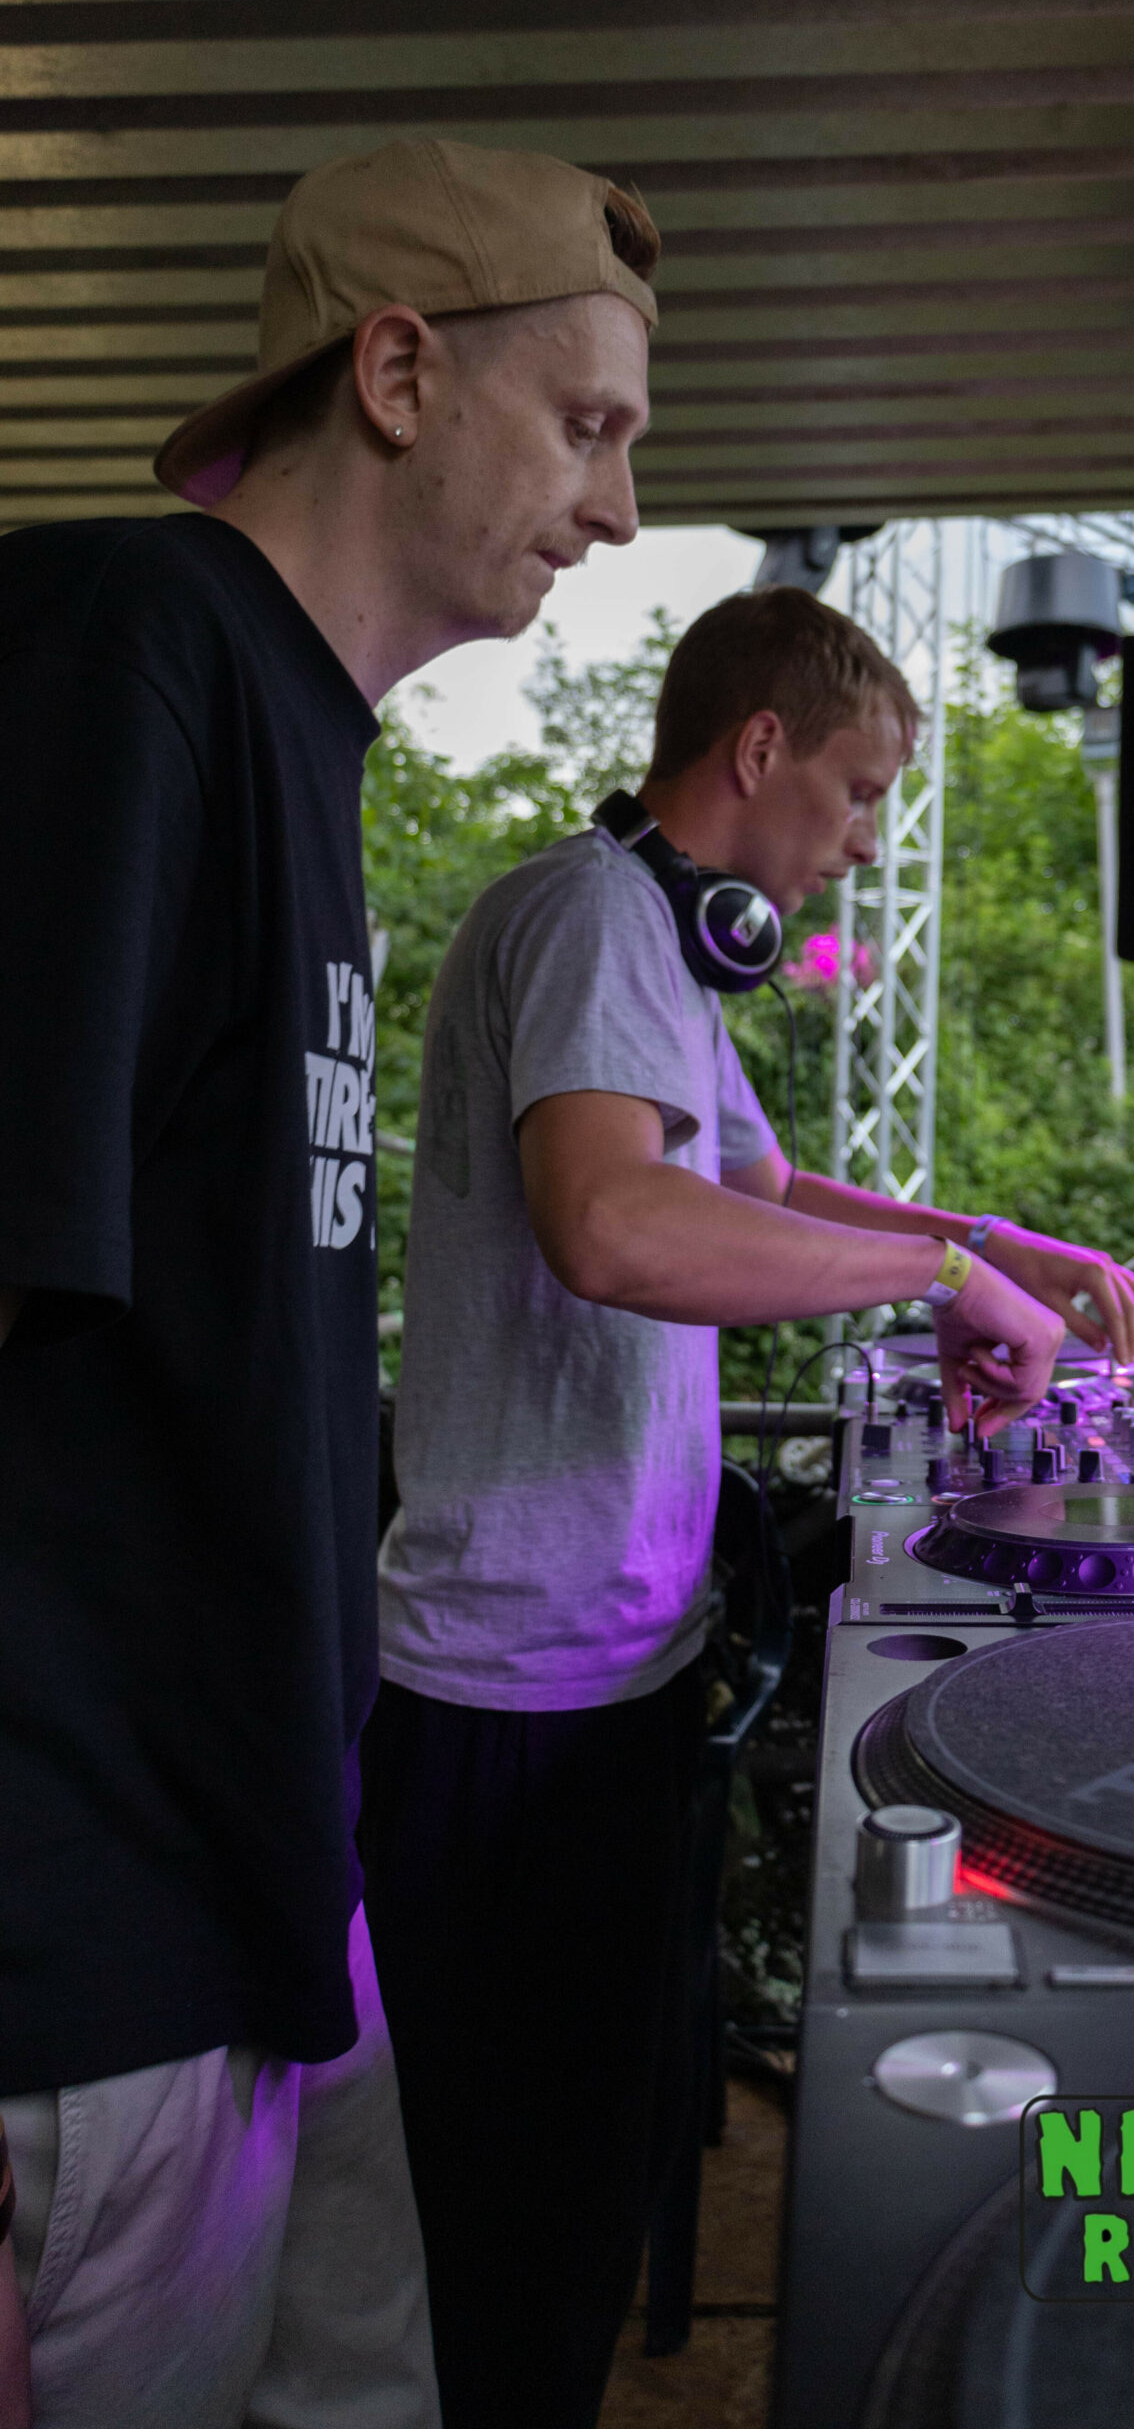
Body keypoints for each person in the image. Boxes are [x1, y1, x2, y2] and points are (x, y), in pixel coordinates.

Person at [0, 136, 656, 2429]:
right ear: (395, 373)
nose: (614, 510)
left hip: (270, 1899)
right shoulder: (121, 648)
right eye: (585, 425)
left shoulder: (287, 727)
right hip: (78, 1959)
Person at [362, 583, 1134, 2428]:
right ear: (761, 746)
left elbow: (764, 1190)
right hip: (510, 1688)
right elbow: (616, 1223)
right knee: (511, 2225)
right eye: (859, 793)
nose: (864, 844)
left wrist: (989, 1239)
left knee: (581, 2177)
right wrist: (943, 1284)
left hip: (600, 1667)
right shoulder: (589, 918)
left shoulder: (641, 935)